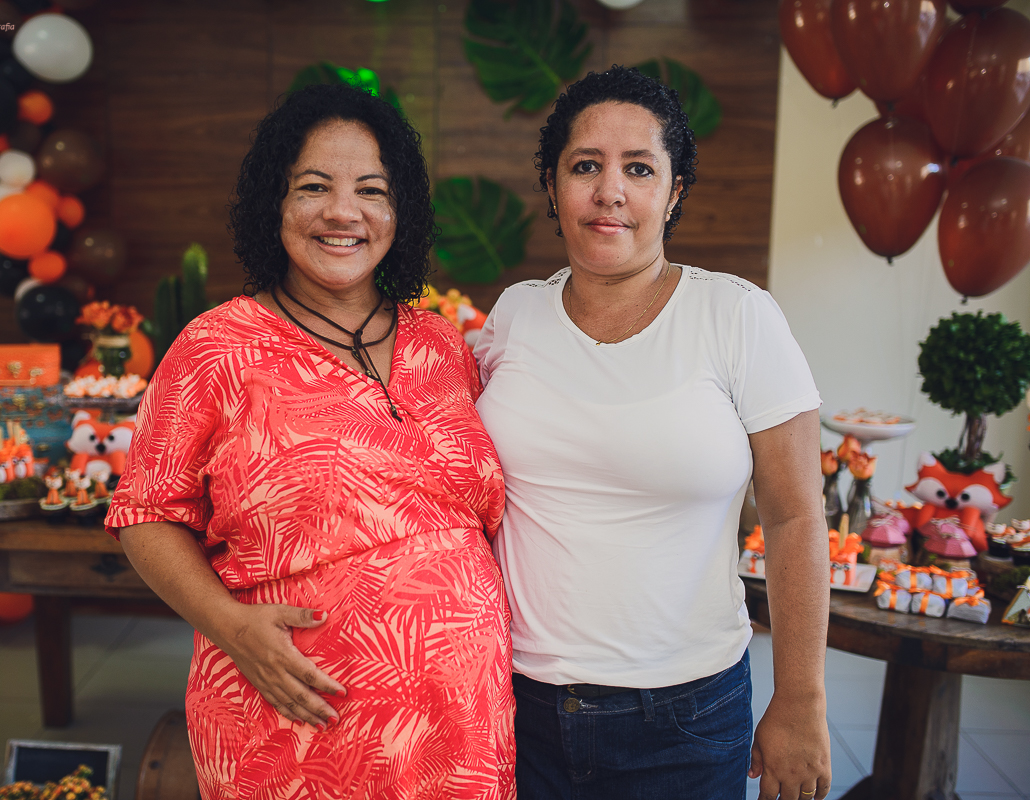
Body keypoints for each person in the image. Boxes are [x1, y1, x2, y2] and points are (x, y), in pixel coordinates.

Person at [106, 84, 514, 799]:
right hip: (293, 726)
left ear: (400, 211)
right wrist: (229, 626)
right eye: (314, 187)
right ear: (276, 203)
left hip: (461, 727)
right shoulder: (216, 347)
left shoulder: (441, 343)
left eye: (371, 190)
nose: (342, 212)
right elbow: (145, 512)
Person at [473, 66, 833, 800]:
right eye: (585, 167)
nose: (610, 191)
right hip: (515, 705)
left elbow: (796, 517)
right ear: (552, 186)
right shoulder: (513, 316)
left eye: (639, 168)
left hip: (685, 714)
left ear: (673, 193)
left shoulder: (738, 318)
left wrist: (801, 701)